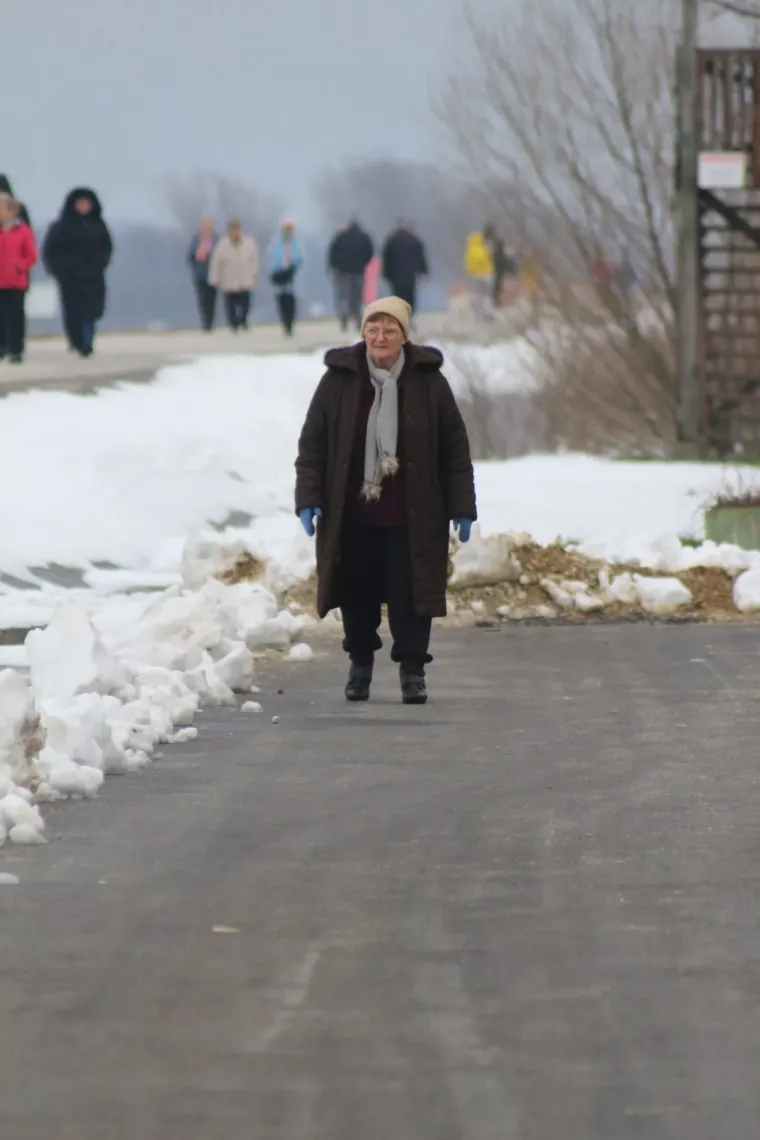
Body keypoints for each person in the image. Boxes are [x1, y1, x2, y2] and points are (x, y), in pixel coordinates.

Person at [295, 296, 476, 705]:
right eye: (373, 328)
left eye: (389, 329)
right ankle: (360, 667)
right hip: (353, 515)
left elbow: (455, 450)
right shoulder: (339, 380)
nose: (380, 337)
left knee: (412, 595)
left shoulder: (429, 381)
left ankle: (413, 671)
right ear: (363, 333)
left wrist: (462, 506)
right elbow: (313, 446)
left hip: (413, 516)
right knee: (357, 594)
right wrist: (309, 498)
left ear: (404, 336)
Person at [43, 187, 113, 357]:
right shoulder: (62, 227)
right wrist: (59, 270)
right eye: (80, 203)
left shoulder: (98, 225)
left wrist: (101, 263)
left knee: (91, 311)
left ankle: (87, 342)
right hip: (70, 278)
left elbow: (107, 248)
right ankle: (76, 340)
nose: (83, 206)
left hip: (93, 276)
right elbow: (50, 250)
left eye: (86, 203)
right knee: (73, 311)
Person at [0, 194, 37, 363]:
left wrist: (19, 266)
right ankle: (2, 347)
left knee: (15, 316)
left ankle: (16, 350)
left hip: (16, 282)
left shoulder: (22, 230)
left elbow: (31, 256)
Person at [208, 219, 259, 332]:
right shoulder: (222, 245)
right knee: (230, 305)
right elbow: (216, 263)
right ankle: (233, 324)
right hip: (229, 280)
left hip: (245, 279)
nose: (236, 232)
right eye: (233, 230)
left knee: (245, 304)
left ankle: (243, 321)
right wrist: (214, 278)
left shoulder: (248, 243)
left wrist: (254, 274)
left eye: (237, 229)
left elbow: (254, 260)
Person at [327, 217, 374, 332]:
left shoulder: (340, 237)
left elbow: (332, 253)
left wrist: (334, 267)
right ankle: (357, 319)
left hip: (342, 273)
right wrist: (363, 263)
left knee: (343, 296)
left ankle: (343, 317)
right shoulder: (364, 237)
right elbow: (370, 253)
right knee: (356, 297)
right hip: (358, 272)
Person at [381, 220, 428, 315]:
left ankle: (399, 315)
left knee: (397, 297)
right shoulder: (414, 240)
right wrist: (424, 272)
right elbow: (420, 258)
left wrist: (386, 274)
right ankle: (409, 315)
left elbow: (386, 259)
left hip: (395, 276)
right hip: (410, 276)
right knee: (410, 297)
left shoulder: (391, 240)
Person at [269, 218, 303, 337]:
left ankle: (290, 324)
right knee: (281, 301)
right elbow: (272, 260)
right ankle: (284, 323)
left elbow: (300, 258)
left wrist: (292, 267)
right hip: (280, 277)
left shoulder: (297, 243)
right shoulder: (277, 243)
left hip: (292, 278)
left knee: (291, 302)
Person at [187, 219, 218, 331]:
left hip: (213, 274)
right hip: (200, 275)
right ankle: (205, 321)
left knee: (211, 299)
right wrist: (195, 268)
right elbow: (190, 256)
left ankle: (210, 320)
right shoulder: (196, 241)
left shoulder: (215, 241)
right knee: (202, 299)